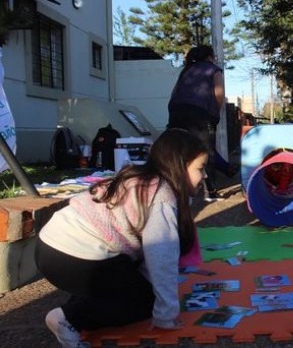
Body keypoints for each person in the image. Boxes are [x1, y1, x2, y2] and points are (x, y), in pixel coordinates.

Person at [35, 129, 209, 348]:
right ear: (178, 166)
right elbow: (161, 258)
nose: (205, 176)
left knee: (129, 280)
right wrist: (166, 314)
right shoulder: (162, 196)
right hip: (77, 258)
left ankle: (74, 310)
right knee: (145, 302)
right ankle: (69, 318)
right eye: (200, 168)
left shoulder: (140, 179)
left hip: (48, 246)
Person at [167, 45, 225, 201]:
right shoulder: (214, 69)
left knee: (179, 151)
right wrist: (215, 113)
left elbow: (174, 92)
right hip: (199, 113)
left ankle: (175, 188)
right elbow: (219, 94)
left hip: (176, 111)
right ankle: (210, 192)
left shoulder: (186, 70)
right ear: (210, 57)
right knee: (205, 150)